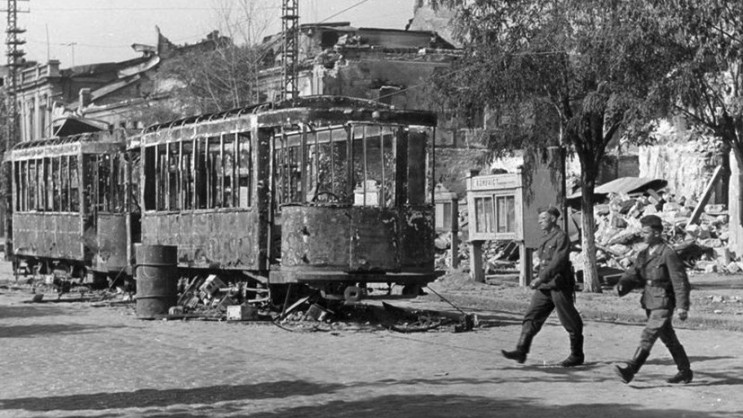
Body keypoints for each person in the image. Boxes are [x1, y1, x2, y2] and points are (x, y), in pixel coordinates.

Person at [614, 214, 693, 384]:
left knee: (649, 334)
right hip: (649, 300)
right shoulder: (644, 253)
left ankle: (631, 370)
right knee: (668, 337)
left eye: (646, 232)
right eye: (642, 232)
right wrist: (622, 284)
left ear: (657, 233)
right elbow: (633, 272)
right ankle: (685, 371)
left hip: (663, 301)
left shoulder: (668, 253)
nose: (643, 235)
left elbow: (680, 281)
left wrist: (682, 306)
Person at [501, 207, 585, 367]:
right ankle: (521, 351)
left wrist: (540, 278)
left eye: (543, 218)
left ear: (553, 219)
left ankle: (577, 355)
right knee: (531, 316)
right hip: (545, 286)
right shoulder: (546, 237)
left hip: (559, 284)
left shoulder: (561, 237)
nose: (540, 222)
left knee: (570, 320)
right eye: (539, 219)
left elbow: (558, 262)